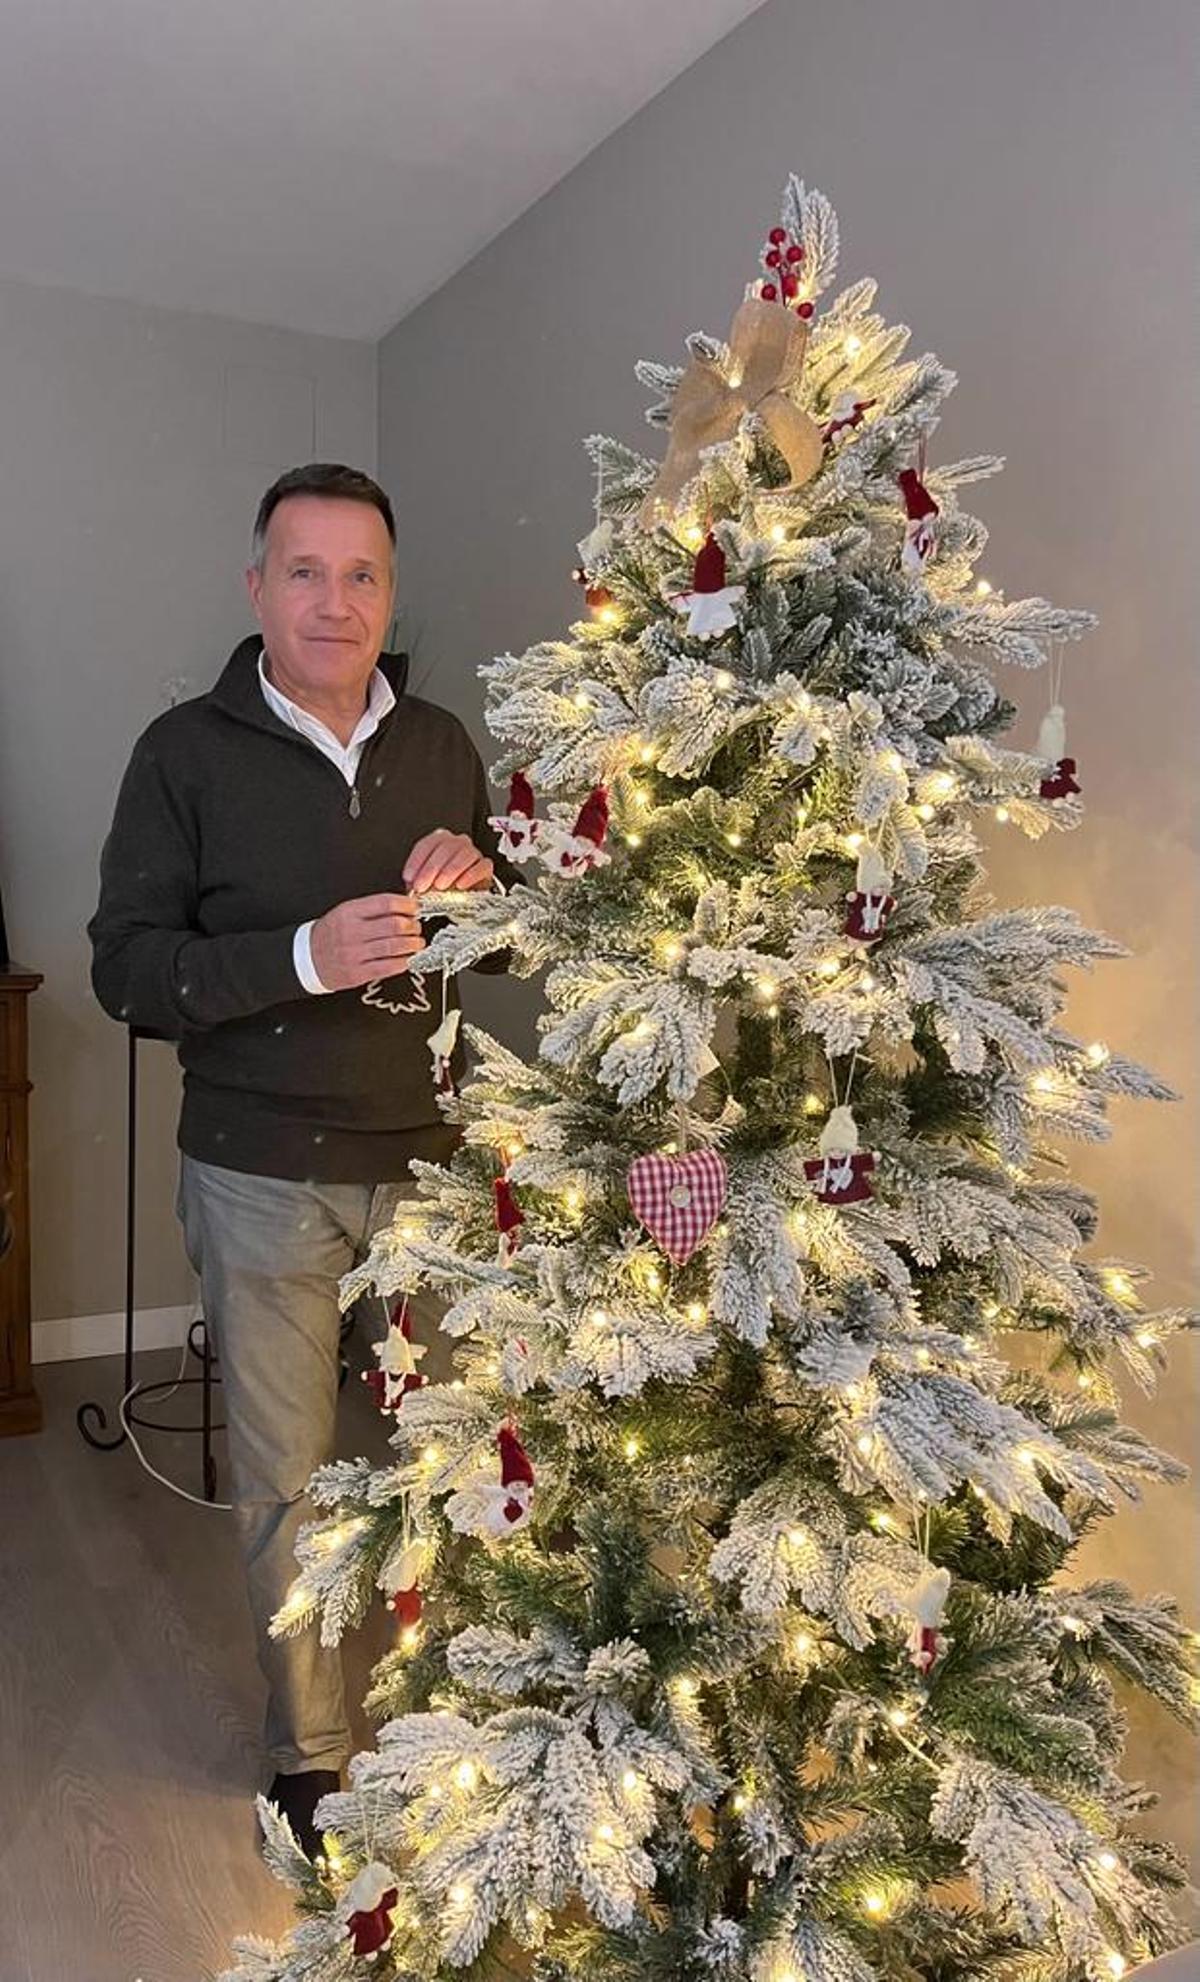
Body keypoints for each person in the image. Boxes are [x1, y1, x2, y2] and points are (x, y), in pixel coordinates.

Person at [88, 462, 509, 1852]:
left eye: (362, 574)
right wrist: (302, 958)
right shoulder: (182, 753)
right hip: (259, 1169)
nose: (337, 601)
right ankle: (312, 1752)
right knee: (290, 1479)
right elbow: (126, 971)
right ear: (257, 586)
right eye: (307, 571)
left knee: (457, 1453)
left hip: (433, 1167)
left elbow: (504, 941)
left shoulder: (441, 742)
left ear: (391, 592)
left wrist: (486, 892)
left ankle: (465, 1709)